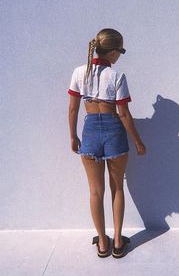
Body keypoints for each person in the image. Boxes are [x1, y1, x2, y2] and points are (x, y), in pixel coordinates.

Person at [68, 28, 146, 258]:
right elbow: (124, 114)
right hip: (114, 132)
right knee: (117, 188)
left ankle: (103, 242)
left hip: (90, 131)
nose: (119, 56)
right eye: (119, 52)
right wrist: (138, 141)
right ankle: (119, 241)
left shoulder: (79, 73)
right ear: (112, 53)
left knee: (95, 191)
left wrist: (73, 135)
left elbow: (73, 108)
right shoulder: (117, 76)